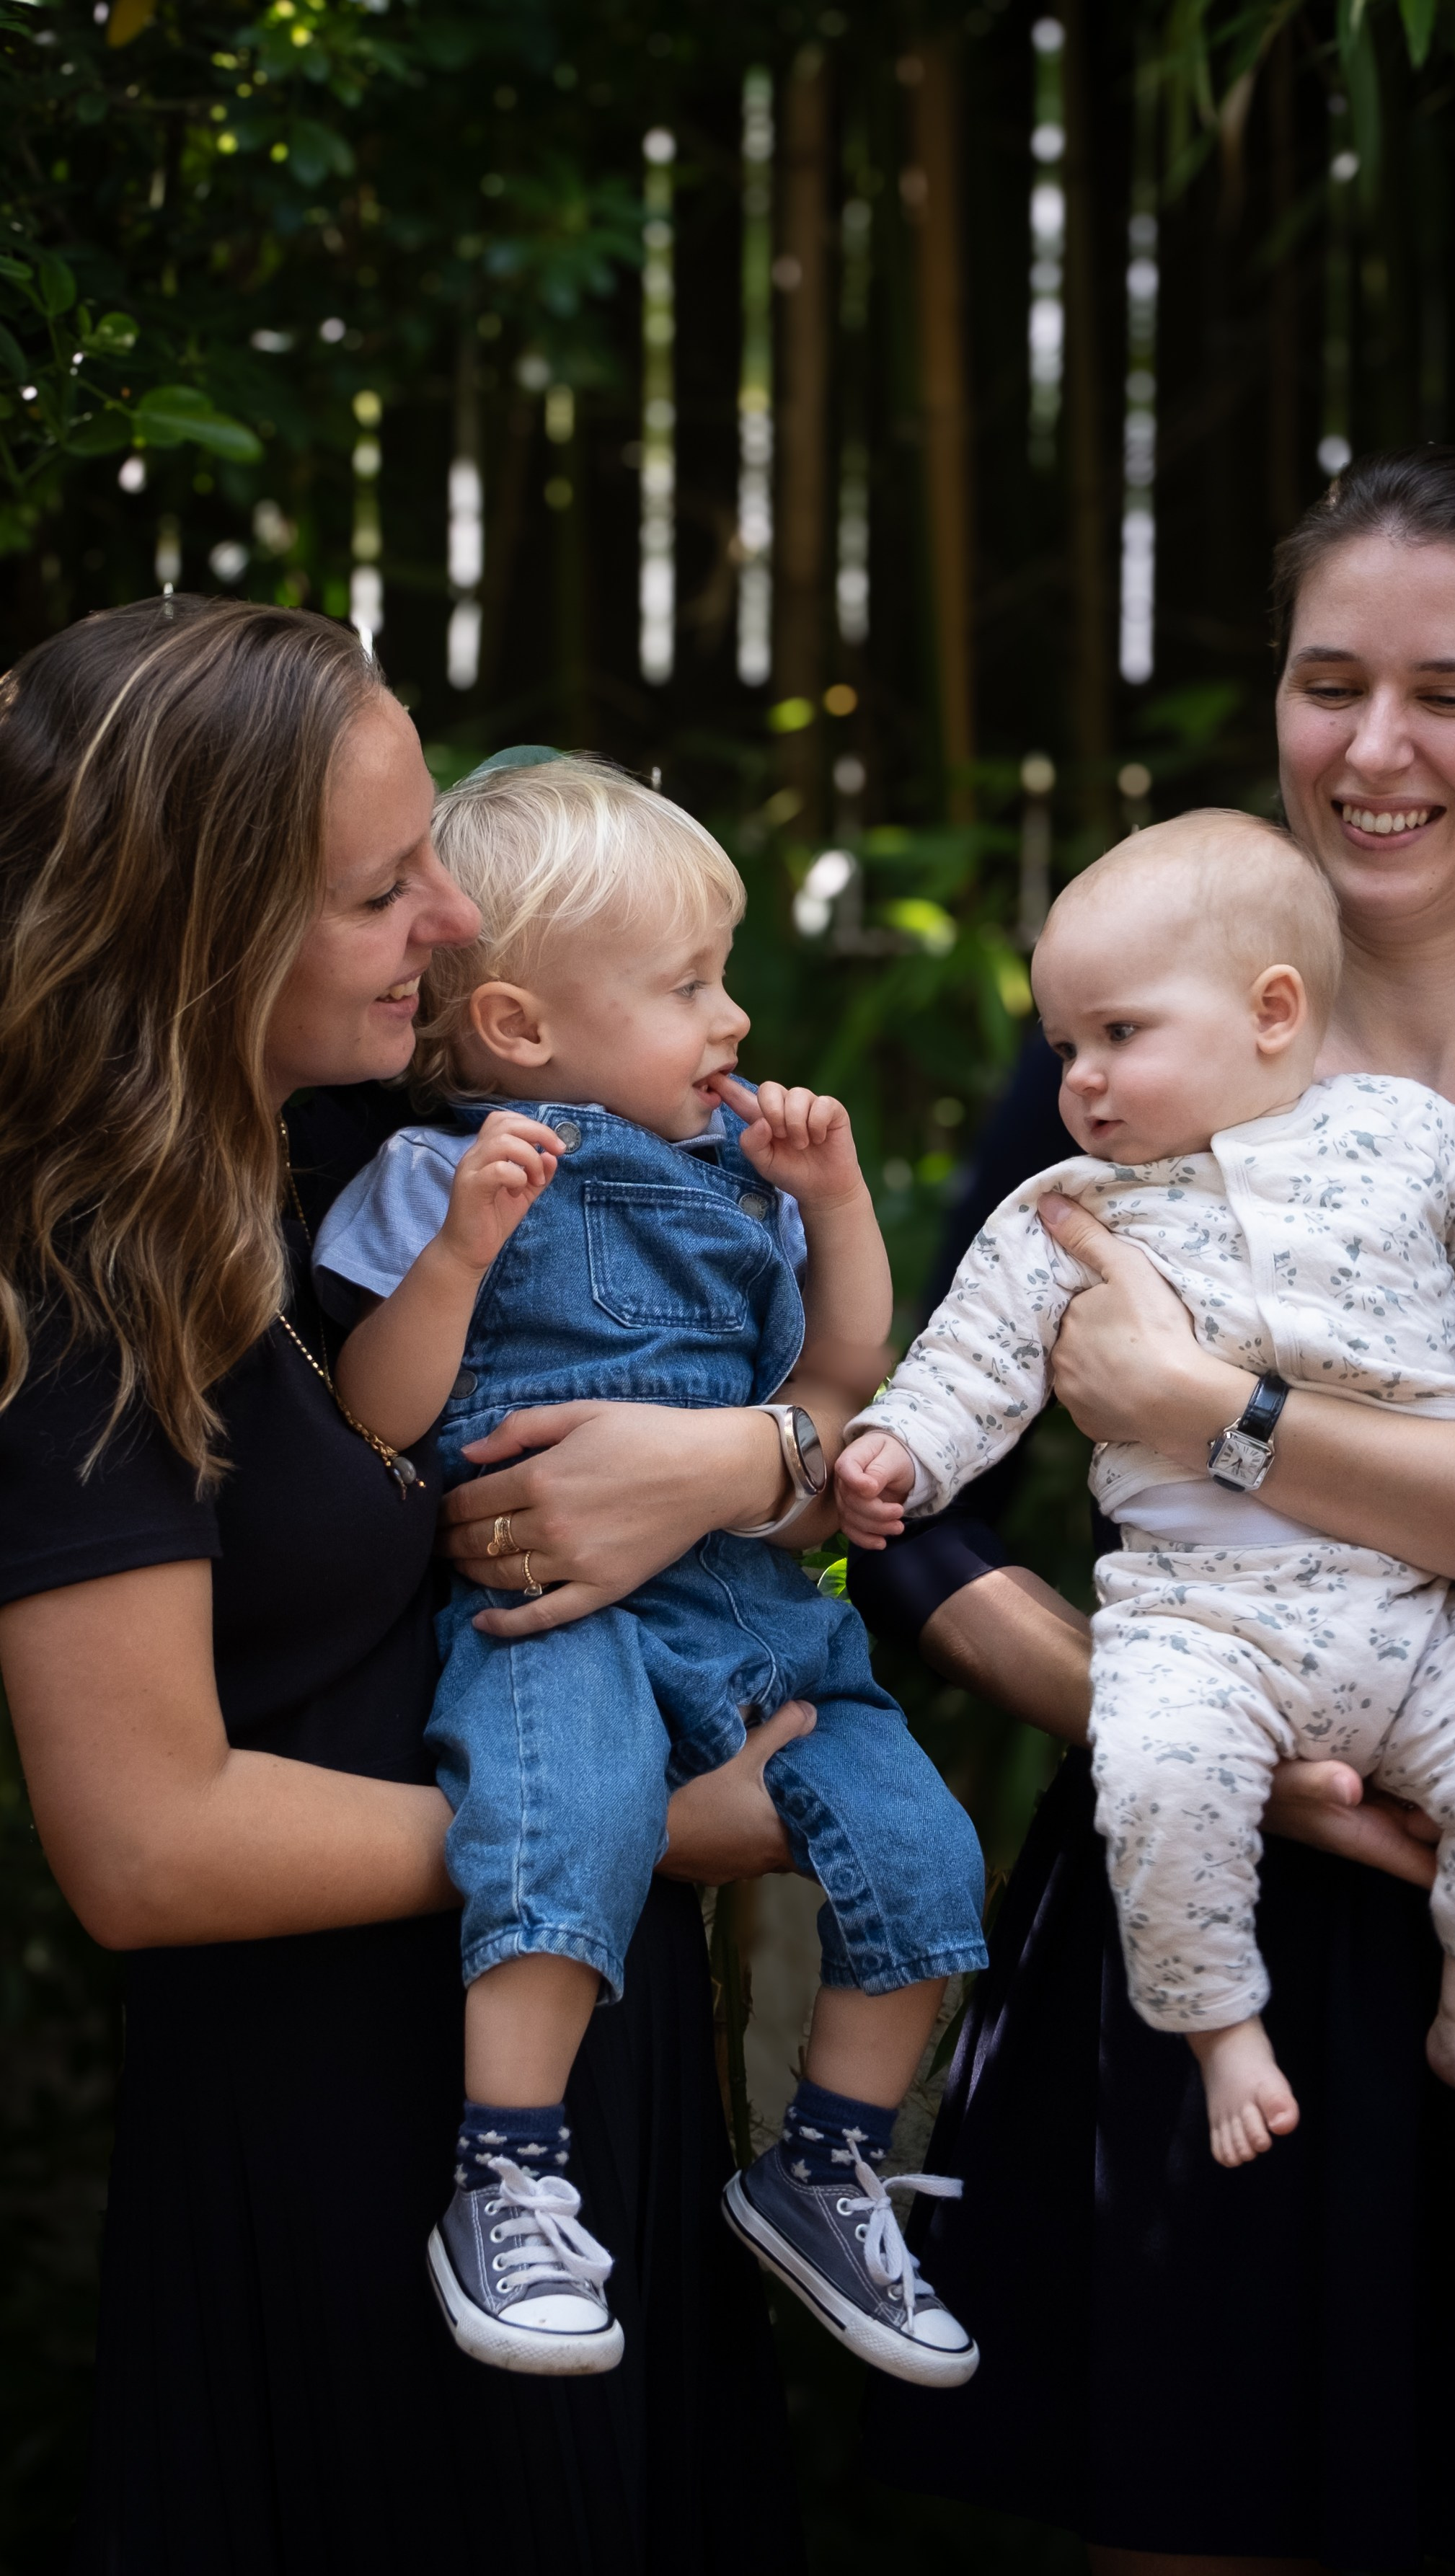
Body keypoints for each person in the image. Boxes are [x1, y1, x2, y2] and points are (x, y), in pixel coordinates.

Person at [849, 448, 1455, 2576]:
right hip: (1186, 1902)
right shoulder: (1120, 1051)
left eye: (1449, 689)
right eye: (1327, 684)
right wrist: (1159, 1725)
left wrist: (1209, 1414)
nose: (1374, 748)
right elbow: (911, 1511)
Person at [0, 598, 814, 2574]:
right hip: (344, 2115)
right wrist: (610, 1829)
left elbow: (749, 1352)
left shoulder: (339, 1144)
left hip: (552, 2040)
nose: (455, 923)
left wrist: (750, 1460)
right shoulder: (71, 1289)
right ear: (202, 927)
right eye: (382, 890)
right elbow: (147, 1839)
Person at [842, 807, 1455, 2167]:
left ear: (1271, 1010)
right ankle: (1221, 2027)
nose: (1082, 1081)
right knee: (1161, 1780)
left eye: (1119, 1034)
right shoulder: (1075, 1205)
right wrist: (903, 1446)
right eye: (1064, 1048)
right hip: (1195, 1620)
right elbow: (974, 1354)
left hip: (1408, 1615)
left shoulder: (1398, 1136)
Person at [313, 752, 984, 2384]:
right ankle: (510, 2164)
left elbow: (842, 1365)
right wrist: (468, 1247)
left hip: (753, 1613)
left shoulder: (737, 1176)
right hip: (560, 1621)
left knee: (928, 1850)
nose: (734, 1015)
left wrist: (831, 1202)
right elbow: (375, 1415)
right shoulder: (427, 1176)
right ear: (524, 1030)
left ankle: (824, 2161)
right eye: (689, 983)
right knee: (568, 1814)